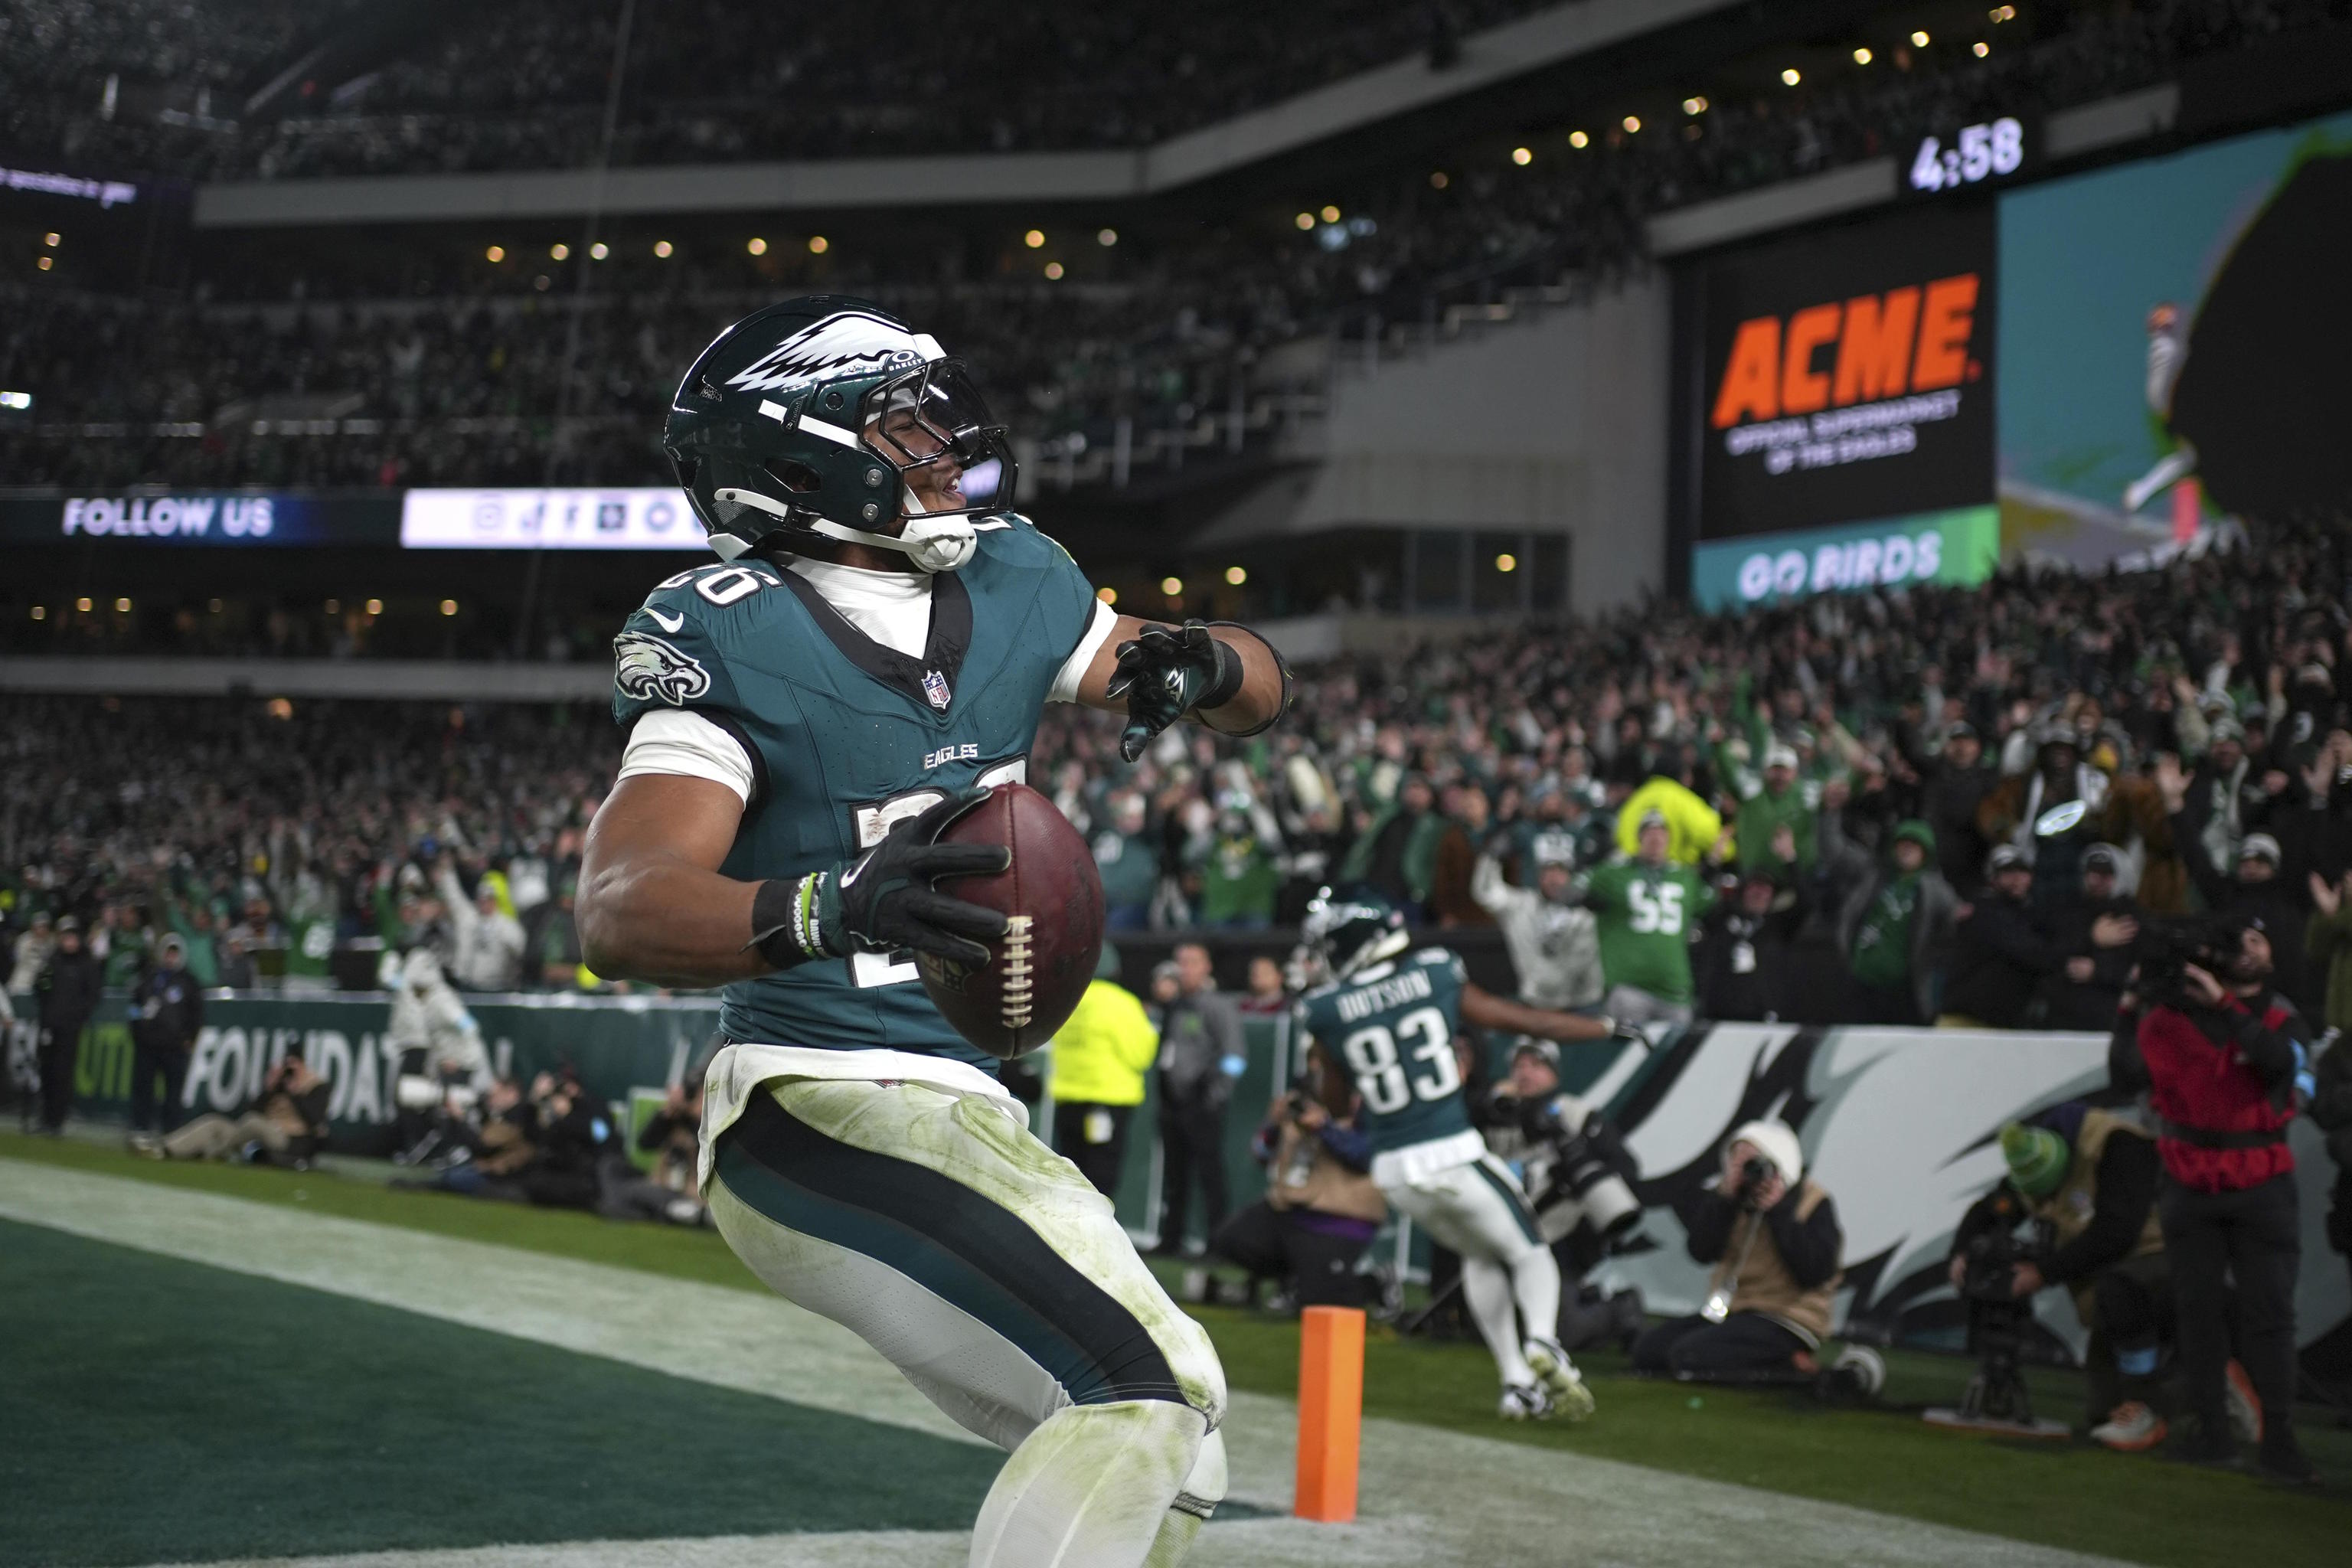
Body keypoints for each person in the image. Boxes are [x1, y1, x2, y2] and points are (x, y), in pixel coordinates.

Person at [575, 297, 1290, 1566]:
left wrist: (1204, 665)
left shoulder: (1015, 575)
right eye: (894, 418)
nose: (934, 437)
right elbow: (619, 906)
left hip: (963, 1099)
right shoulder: (730, 621)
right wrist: (826, 901)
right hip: (815, 1097)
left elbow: (1250, 684)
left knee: (1179, 1444)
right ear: (799, 461)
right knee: (1148, 1382)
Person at [1295, 887, 1625, 1422]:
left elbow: (1335, 1104)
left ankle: (1516, 1382)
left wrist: (1324, 1049)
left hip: (1396, 1172)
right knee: (1530, 1250)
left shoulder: (1324, 1010)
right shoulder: (1434, 972)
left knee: (1480, 1253)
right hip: (1451, 1150)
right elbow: (1527, 1022)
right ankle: (1543, 1342)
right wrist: (1605, 1027)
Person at [2122, 913, 2315, 1480]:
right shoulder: (2166, 1018)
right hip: (2190, 1180)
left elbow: (2280, 1062)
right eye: (2238, 941)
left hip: (2260, 1181)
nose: (2245, 951)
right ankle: (2214, 1431)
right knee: (2198, 1315)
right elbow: (2126, 1065)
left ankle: (2278, 1438)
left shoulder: (2283, 1017)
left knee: (2270, 1317)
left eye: (2258, 940)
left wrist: (2225, 1006)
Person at [1946, 1109, 2172, 1451]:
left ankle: (2152, 1403)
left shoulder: (2118, 1145)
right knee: (2101, 1414)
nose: (2043, 1203)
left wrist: (2043, 1273)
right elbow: (1990, 1210)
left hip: (2159, 1263)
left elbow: (2117, 1233)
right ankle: (2173, 1391)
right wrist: (1962, 1252)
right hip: (2110, 1287)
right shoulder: (2035, 1162)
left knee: (2119, 1293)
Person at [1632, 1119, 1844, 1381]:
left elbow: (1816, 1271)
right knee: (1647, 1351)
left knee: (1689, 1357)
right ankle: (1775, 1362)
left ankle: (1791, 1367)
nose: (1745, 1171)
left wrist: (1778, 1210)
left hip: (1787, 1319)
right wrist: (1725, 1200)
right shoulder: (1734, 1199)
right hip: (1734, 1315)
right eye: (1736, 1161)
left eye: (1753, 1162)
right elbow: (1700, 1252)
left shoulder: (1814, 1201)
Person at [1209, 1060, 1384, 1312]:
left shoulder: (1369, 1101)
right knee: (1230, 1239)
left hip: (1340, 1215)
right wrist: (1273, 1123)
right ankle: (1297, 1279)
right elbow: (1261, 1154)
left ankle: (1373, 1284)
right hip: (1288, 1209)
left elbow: (1366, 1158)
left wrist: (1325, 1128)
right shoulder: (1300, 1098)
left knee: (1319, 1304)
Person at [1153, 941, 1246, 1255]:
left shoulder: (1218, 1006)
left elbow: (1236, 1056)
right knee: (1175, 1177)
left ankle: (1219, 1243)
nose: (1184, 969)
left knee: (1210, 1177)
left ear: (1206, 967)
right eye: (1180, 962)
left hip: (1201, 1102)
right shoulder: (1177, 1005)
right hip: (1173, 1103)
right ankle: (1171, 1240)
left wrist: (1216, 1095)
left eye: (1191, 962)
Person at [1583, 809, 1715, 1026]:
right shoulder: (1614, 874)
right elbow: (1579, 890)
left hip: (1676, 991)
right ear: (1639, 838)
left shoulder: (1686, 877)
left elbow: (1712, 906)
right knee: (1629, 1055)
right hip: (1630, 987)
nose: (1656, 839)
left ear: (1669, 839)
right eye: (1650, 833)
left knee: (1675, 1058)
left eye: (1661, 834)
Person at [1049, 942, 1159, 1197]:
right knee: (1100, 1176)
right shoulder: (1122, 1004)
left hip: (1067, 1100)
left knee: (1069, 1172)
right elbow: (1140, 1055)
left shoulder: (1068, 1000)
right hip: (1105, 1103)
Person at [1832, 820, 1958, 1027]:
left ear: (1926, 852)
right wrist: (1830, 815)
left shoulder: (1936, 890)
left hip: (1903, 989)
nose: (1907, 849)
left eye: (1914, 844)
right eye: (1902, 843)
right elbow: (1835, 853)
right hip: (1860, 982)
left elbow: (1954, 921)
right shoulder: (1873, 875)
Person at [1471, 844, 1603, 1013]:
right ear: (1538, 877)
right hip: (1535, 1004)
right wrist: (1490, 857)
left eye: (1560, 872)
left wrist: (1595, 902)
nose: (1553, 879)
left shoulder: (1587, 912)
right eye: (1547, 873)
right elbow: (1486, 893)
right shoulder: (1521, 905)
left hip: (1582, 1005)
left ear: (1571, 876)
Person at [1939, 845, 2055, 1028]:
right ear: (1993, 877)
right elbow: (2026, 950)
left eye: (2022, 872)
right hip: (1964, 1019)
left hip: (2003, 1023)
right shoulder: (1983, 910)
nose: (2017, 879)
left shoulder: (2032, 915)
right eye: (2008, 872)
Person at [2038, 842, 2144, 1031]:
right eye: (2092, 873)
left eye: (2105, 875)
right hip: (2065, 1017)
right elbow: (2052, 957)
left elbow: (2136, 972)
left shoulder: (2133, 919)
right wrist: (2091, 937)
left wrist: (2098, 971)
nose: (2096, 881)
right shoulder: (2070, 911)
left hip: (2109, 1018)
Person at [158, 1054, 329, 1166]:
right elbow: (252, 1110)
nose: (292, 1070)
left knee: (253, 1122)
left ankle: (215, 1151)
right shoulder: (280, 1085)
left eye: (296, 1064)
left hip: (287, 1140)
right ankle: (166, 1147)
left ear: (304, 1065)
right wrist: (269, 1089)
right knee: (214, 1122)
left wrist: (296, 1094)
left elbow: (314, 1120)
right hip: (251, 1136)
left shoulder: (316, 1086)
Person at [126, 933, 204, 1152]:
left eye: (174, 953)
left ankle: (171, 1134)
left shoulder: (189, 981)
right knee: (143, 1089)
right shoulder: (149, 977)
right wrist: (137, 1032)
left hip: (174, 1047)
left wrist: (190, 1038)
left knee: (173, 1093)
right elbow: (134, 1005)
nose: (171, 957)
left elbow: (196, 1014)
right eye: (168, 952)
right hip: (148, 1044)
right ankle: (140, 1129)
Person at [31, 915, 100, 1135]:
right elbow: (40, 988)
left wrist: (76, 1016)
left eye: (72, 937)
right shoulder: (54, 961)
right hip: (49, 1026)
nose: (69, 942)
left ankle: (56, 1121)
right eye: (66, 937)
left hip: (69, 1029)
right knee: (46, 1071)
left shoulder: (86, 965)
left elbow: (92, 997)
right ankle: (45, 1118)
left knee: (62, 1074)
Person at [439, 860, 528, 991]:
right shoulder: (470, 918)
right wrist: (447, 874)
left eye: (488, 899)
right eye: (481, 899)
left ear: (495, 900)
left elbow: (521, 949)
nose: (484, 902)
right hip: (468, 985)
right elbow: (454, 898)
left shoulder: (506, 925)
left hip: (498, 987)